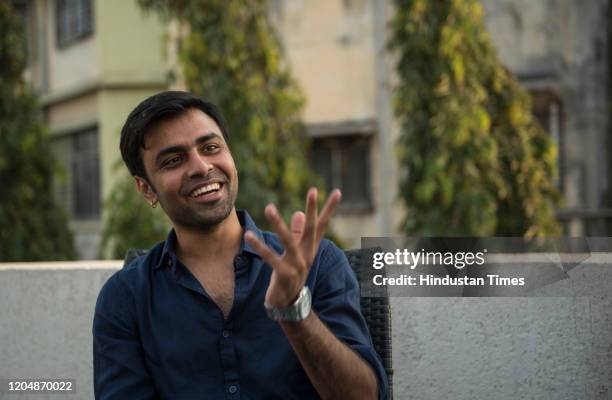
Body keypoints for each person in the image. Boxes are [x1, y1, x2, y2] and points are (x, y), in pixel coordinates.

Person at [93, 91, 389, 399]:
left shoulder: (318, 263)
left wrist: (294, 312)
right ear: (146, 188)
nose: (201, 166)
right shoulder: (125, 298)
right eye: (174, 160)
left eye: (211, 147)